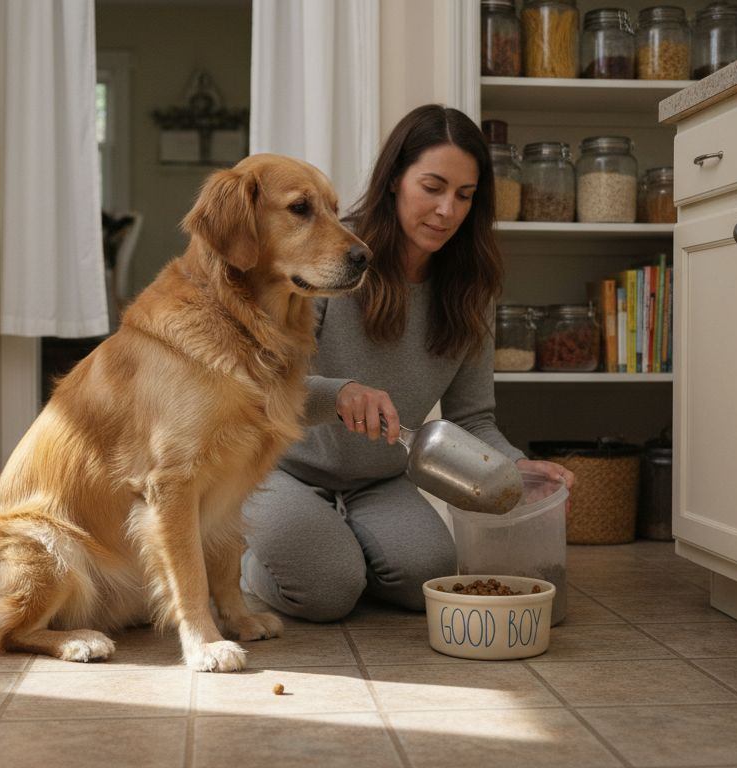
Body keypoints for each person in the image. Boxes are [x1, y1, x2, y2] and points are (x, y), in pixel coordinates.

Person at [240, 104, 576, 623]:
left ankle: (337, 546)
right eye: (433, 187)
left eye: (465, 196)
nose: (447, 210)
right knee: (327, 593)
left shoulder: (470, 289)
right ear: (395, 179)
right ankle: (245, 558)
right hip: (280, 467)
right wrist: (342, 392)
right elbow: (265, 386)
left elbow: (471, 418)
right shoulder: (331, 256)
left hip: (382, 476)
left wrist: (517, 469)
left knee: (428, 575)